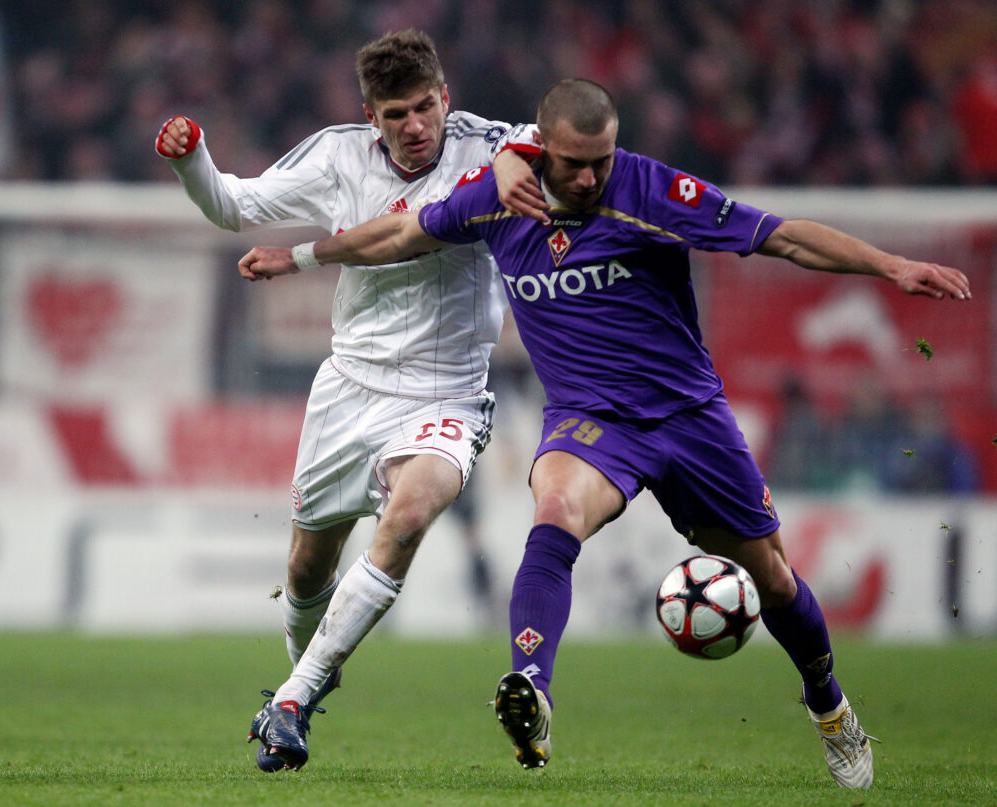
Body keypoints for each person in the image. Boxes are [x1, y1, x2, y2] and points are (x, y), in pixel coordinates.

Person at [238, 79, 972, 789]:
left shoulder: (652, 191)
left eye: (603, 160)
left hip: (688, 418)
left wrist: (892, 265)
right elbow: (399, 231)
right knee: (552, 512)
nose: (590, 176)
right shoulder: (499, 200)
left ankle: (831, 707)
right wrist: (298, 256)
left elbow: (779, 238)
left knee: (773, 577)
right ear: (539, 147)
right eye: (574, 163)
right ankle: (531, 686)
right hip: (590, 422)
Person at [156, 29, 539, 772]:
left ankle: (292, 699)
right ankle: (307, 683)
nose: (415, 125)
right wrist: (189, 159)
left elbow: (549, 147)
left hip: (447, 392)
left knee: (410, 512)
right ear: (372, 116)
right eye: (397, 114)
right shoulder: (335, 155)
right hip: (350, 388)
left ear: (445, 97)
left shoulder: (491, 146)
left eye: (426, 106)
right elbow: (233, 205)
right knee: (305, 568)